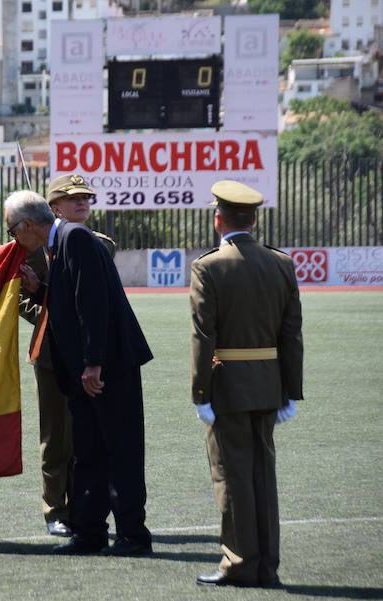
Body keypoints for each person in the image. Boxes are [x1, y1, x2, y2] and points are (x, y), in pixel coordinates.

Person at [4, 190, 153, 557]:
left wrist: (93, 362)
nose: (14, 239)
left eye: (12, 231)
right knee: (87, 451)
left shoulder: (76, 238)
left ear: (26, 225)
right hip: (87, 370)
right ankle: (89, 531)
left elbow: (93, 303)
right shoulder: (62, 242)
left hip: (108, 368)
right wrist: (41, 292)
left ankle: (133, 534)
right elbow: (71, 299)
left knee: (120, 450)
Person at [190, 180, 303, 587]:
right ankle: (266, 565)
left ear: (218, 219)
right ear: (253, 220)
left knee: (232, 477)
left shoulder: (209, 265)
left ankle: (239, 564)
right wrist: (291, 390)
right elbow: (292, 332)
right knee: (262, 476)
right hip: (269, 385)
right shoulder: (281, 262)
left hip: (228, 388)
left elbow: (204, 336)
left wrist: (201, 393)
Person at [18, 174, 116, 538]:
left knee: (86, 435)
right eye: (73, 199)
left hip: (88, 353)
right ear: (53, 208)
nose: (83, 204)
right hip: (50, 350)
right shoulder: (29, 248)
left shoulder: (102, 244)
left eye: (86, 198)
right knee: (56, 438)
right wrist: (46, 306)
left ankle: (84, 506)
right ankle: (55, 508)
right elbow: (20, 298)